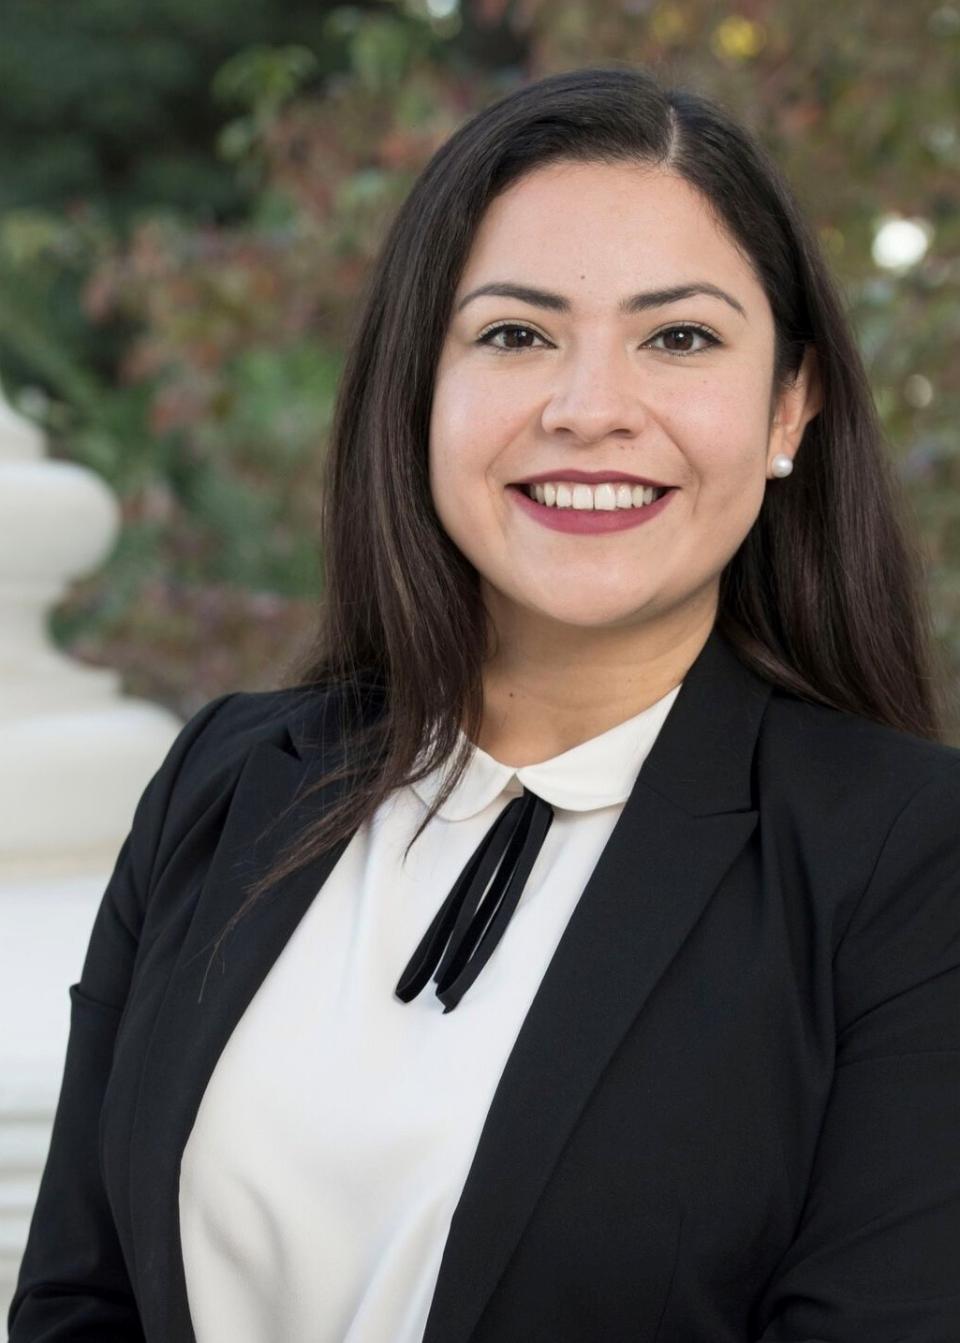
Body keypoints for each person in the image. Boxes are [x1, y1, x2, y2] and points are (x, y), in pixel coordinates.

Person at [9, 64, 960, 1343]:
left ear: (790, 404)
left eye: (679, 337)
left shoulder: (904, 862)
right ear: (420, 390)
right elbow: (79, 1297)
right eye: (516, 333)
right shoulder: (227, 779)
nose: (590, 409)